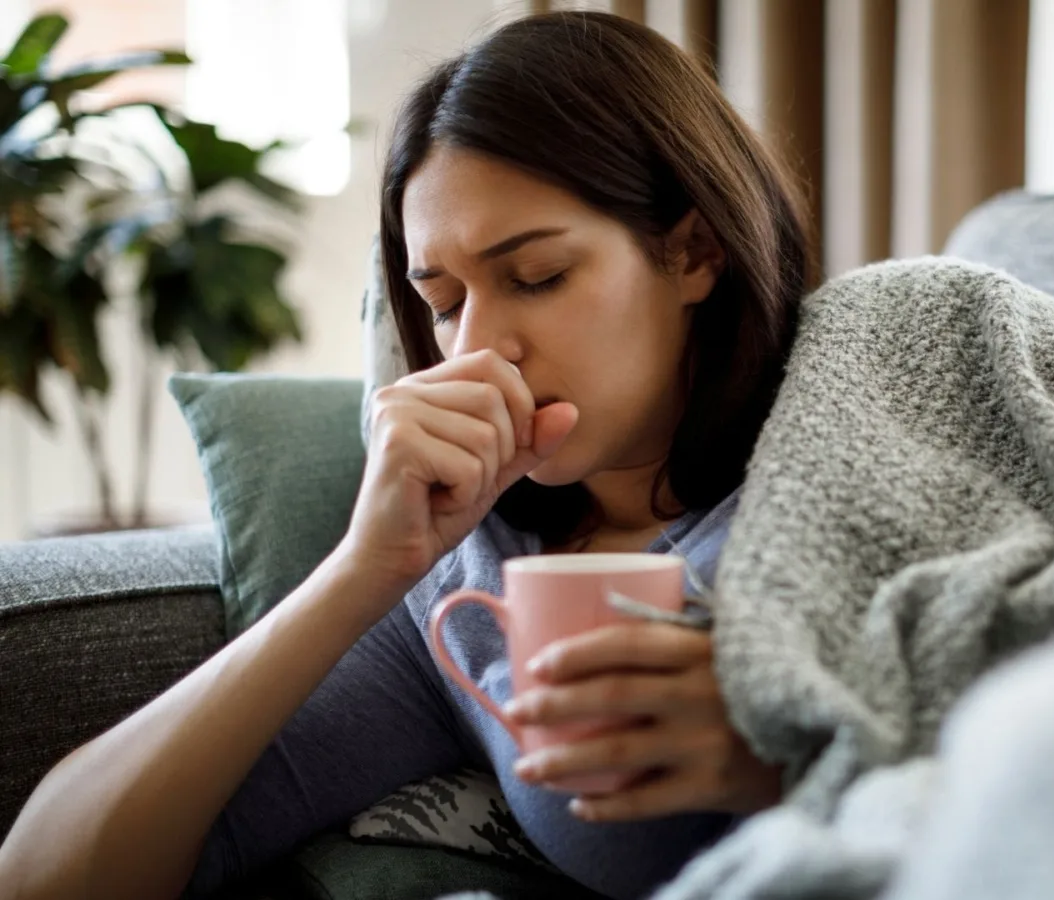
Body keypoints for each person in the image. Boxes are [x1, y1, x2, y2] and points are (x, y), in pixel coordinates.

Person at [0, 12, 810, 900]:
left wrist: (792, 756)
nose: (480, 349)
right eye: (445, 300)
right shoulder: (466, 591)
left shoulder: (850, 459)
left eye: (535, 277)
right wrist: (362, 569)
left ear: (695, 252)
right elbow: (47, 877)